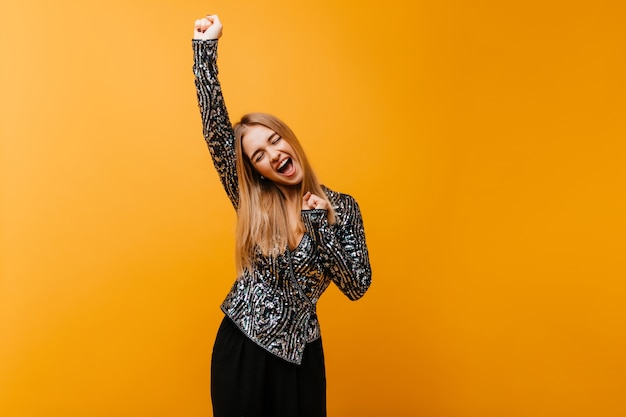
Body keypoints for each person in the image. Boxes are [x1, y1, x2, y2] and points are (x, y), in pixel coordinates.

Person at [192, 13, 372, 417]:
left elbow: (356, 285)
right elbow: (216, 131)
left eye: (275, 140)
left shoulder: (342, 207)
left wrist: (318, 227)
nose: (273, 154)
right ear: (255, 169)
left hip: (302, 359)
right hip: (242, 348)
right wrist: (204, 50)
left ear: (289, 139)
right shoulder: (252, 201)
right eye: (259, 155)